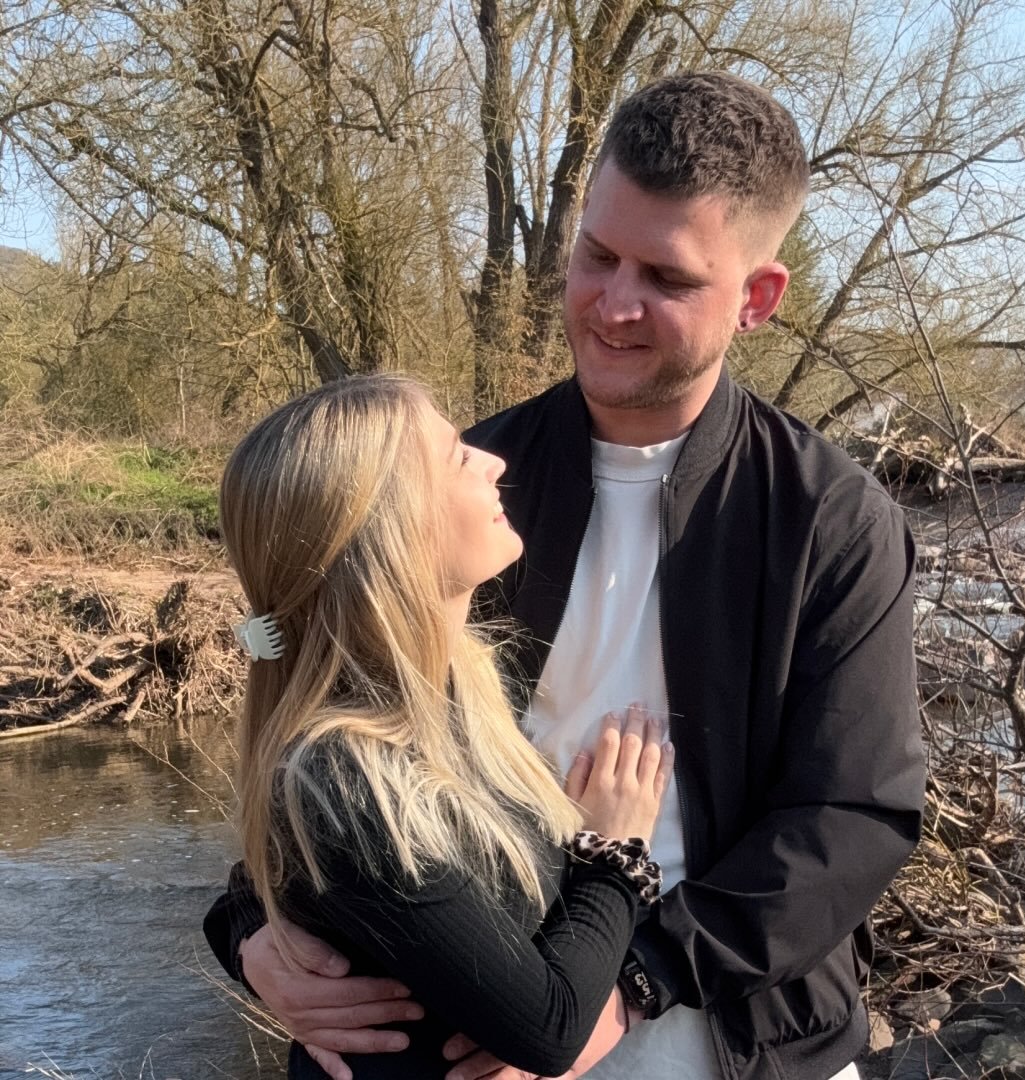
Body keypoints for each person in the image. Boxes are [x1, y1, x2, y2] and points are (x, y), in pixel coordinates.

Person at [205, 72, 925, 1080]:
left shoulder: (831, 521)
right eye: (597, 255)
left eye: (667, 278)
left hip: (751, 1044)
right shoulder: (464, 493)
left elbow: (855, 813)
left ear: (757, 299)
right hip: (488, 1032)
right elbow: (333, 721)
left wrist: (635, 981)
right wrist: (252, 926)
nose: (614, 305)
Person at [213, 373, 677, 1079]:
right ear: (388, 530)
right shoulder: (342, 778)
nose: (493, 462)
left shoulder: (462, 691)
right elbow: (550, 1030)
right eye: (458, 455)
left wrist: (244, 927)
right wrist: (614, 851)